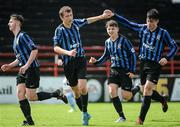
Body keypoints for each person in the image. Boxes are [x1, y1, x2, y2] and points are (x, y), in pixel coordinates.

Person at [104, 9, 178, 124]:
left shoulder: (163, 33)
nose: (149, 23)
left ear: (157, 21)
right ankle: (162, 99)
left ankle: (140, 119)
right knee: (145, 90)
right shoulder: (142, 29)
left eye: (152, 21)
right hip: (143, 64)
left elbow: (174, 47)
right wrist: (114, 15)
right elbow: (127, 23)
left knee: (147, 88)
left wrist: (167, 58)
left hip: (155, 65)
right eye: (148, 21)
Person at [1, 14, 67, 126]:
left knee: (31, 97)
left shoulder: (23, 36)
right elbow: (19, 57)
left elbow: (34, 50)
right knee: (20, 94)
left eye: (10, 21)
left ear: (17, 23)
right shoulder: (15, 39)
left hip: (31, 69)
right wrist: (10, 65)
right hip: (23, 70)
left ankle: (56, 94)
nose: (9, 23)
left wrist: (26, 65)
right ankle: (29, 121)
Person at [53, 6, 110, 126]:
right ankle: (85, 113)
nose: (70, 18)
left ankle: (84, 113)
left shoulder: (75, 23)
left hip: (80, 59)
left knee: (83, 87)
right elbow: (55, 48)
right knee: (75, 91)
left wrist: (102, 16)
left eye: (71, 15)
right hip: (68, 63)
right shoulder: (59, 30)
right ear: (62, 17)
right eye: (67, 16)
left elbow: (88, 20)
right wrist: (68, 52)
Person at [89, 20, 140, 123]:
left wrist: (132, 70)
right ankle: (122, 117)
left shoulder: (124, 41)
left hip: (125, 70)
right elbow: (106, 56)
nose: (111, 30)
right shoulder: (107, 42)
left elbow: (133, 55)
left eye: (113, 28)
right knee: (112, 92)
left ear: (117, 29)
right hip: (114, 70)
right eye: (109, 29)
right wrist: (96, 62)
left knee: (126, 97)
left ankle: (138, 88)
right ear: (106, 30)